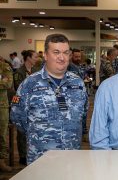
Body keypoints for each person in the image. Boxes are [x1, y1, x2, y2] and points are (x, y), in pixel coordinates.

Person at [11, 34, 88, 165]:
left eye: (65, 52)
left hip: (72, 158)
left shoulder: (78, 83)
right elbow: (17, 118)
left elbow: (84, 114)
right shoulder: (29, 84)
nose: (62, 57)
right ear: (46, 55)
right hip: (41, 159)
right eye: (56, 52)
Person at [13, 50, 40, 165]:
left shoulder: (35, 71)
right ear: (28, 58)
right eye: (35, 57)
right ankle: (23, 156)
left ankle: (33, 153)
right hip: (23, 105)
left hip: (35, 105)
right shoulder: (19, 72)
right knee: (22, 132)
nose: (37, 59)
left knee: (34, 130)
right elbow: (19, 88)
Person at [0, 58, 13, 172]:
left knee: (2, 135)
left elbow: (8, 83)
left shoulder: (4, 67)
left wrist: (4, 81)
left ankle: (1, 161)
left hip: (1, 107)